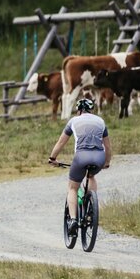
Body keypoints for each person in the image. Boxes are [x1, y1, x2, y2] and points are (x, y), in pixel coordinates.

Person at [48, 97, 112, 235]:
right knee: (91, 175)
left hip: (81, 156)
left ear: (78, 110)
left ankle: (73, 220)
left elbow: (61, 143)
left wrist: (52, 158)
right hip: (99, 156)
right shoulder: (100, 121)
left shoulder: (73, 121)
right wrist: (106, 162)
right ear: (91, 109)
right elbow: (107, 146)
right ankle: (91, 207)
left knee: (72, 188)